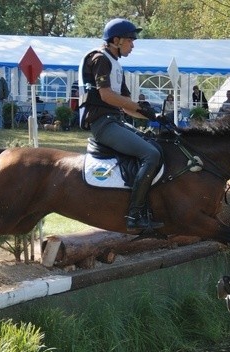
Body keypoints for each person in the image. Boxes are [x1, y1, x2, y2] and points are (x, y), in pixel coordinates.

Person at [78, 18, 163, 232]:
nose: (133, 45)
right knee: (150, 155)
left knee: (158, 146)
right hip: (103, 125)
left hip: (116, 121)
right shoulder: (100, 59)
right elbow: (106, 96)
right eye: (130, 41)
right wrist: (140, 107)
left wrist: (156, 116)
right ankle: (134, 216)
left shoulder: (116, 65)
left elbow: (126, 106)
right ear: (116, 40)